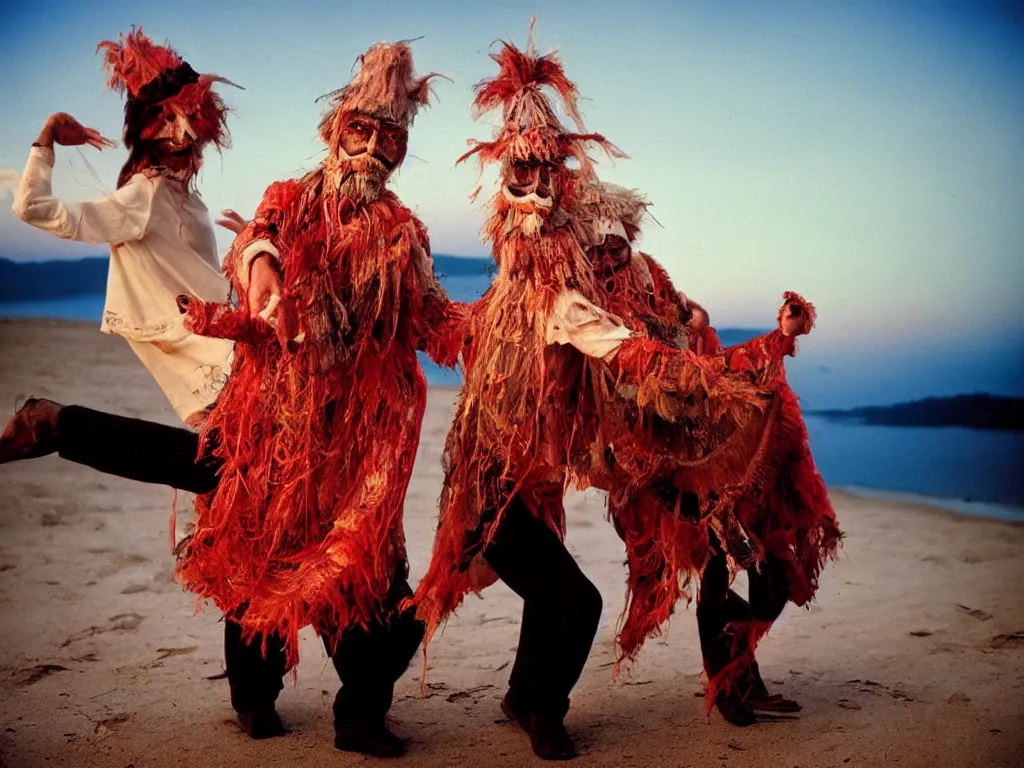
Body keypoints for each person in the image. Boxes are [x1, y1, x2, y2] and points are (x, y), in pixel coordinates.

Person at [172, 40, 462, 757]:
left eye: (388, 140)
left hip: (365, 442)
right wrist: (263, 264)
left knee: (365, 574)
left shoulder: (404, 233)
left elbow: (434, 321)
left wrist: (506, 321)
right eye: (359, 133)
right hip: (281, 427)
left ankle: (360, 713)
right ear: (334, 131)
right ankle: (253, 696)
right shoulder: (291, 200)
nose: (371, 150)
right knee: (261, 559)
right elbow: (255, 243)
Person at [5, 28, 241, 435]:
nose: (181, 134)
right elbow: (34, 208)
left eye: (188, 118)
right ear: (147, 129)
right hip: (210, 364)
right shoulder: (144, 195)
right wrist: (47, 137)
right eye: (167, 120)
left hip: (233, 340)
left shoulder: (180, 193)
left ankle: (53, 425)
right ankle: (53, 424)